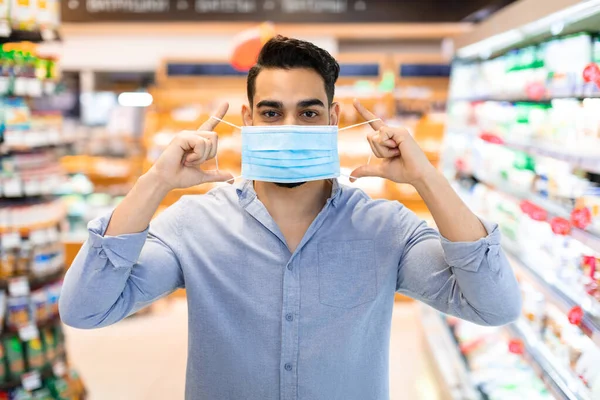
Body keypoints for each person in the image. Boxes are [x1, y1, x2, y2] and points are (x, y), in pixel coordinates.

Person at [60, 36, 521, 400]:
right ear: (248, 119)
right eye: (271, 113)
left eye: (309, 112)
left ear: (333, 119)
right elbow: (86, 308)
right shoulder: (195, 224)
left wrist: (427, 179)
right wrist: (155, 181)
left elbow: (495, 304)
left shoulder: (386, 229)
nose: (290, 128)